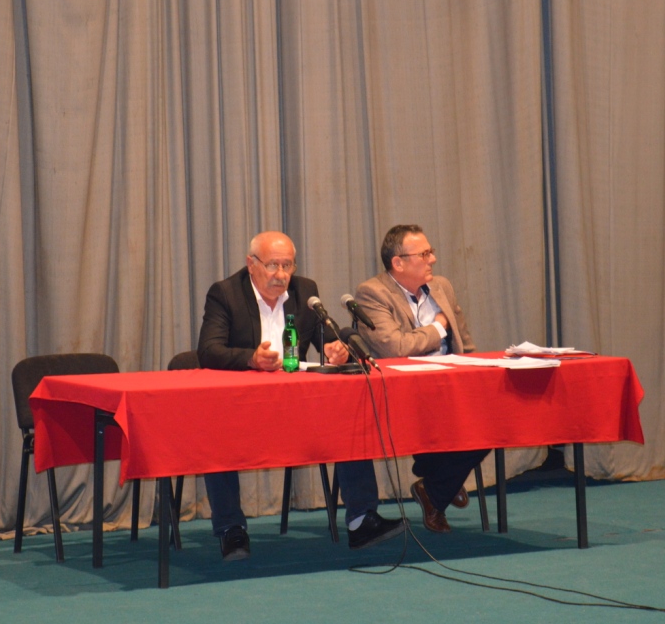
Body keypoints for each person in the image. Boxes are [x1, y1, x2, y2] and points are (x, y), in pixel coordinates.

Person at [196, 231, 405, 560]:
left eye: (288, 265)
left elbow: (325, 339)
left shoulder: (305, 291)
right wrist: (251, 358)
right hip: (243, 406)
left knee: (349, 416)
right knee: (215, 429)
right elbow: (208, 350)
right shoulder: (226, 293)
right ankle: (230, 529)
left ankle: (362, 521)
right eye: (273, 265)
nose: (281, 274)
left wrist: (336, 350)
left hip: (297, 405)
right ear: (251, 264)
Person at [353, 224, 490, 533]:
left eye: (431, 252)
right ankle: (441, 484)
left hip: (450, 385)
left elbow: (464, 342)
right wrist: (439, 327)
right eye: (424, 254)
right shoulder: (372, 293)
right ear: (398, 263)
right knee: (444, 426)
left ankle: (435, 487)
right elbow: (396, 347)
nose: (433, 259)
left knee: (494, 420)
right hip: (404, 394)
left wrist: (477, 378)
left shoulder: (441, 287)